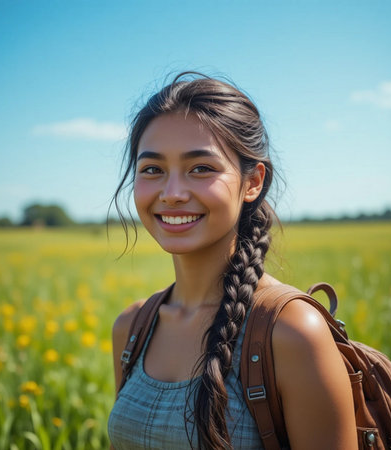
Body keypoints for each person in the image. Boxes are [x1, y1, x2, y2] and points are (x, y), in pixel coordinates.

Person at [108, 72, 357, 450]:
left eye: (201, 168)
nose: (172, 193)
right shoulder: (131, 327)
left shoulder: (291, 332)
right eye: (152, 170)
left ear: (253, 182)